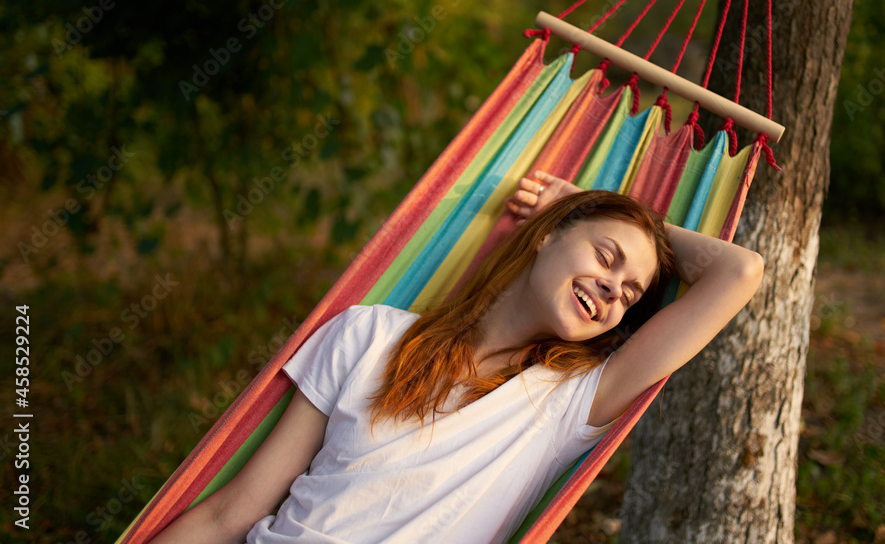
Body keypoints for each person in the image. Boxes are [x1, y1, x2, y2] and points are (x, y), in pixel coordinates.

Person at [149, 170, 764, 543]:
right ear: (548, 233)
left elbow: (739, 271)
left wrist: (585, 202)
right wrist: (577, 205)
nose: (613, 289)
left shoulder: (568, 404)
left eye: (630, 293)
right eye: (606, 257)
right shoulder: (368, 334)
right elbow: (234, 509)